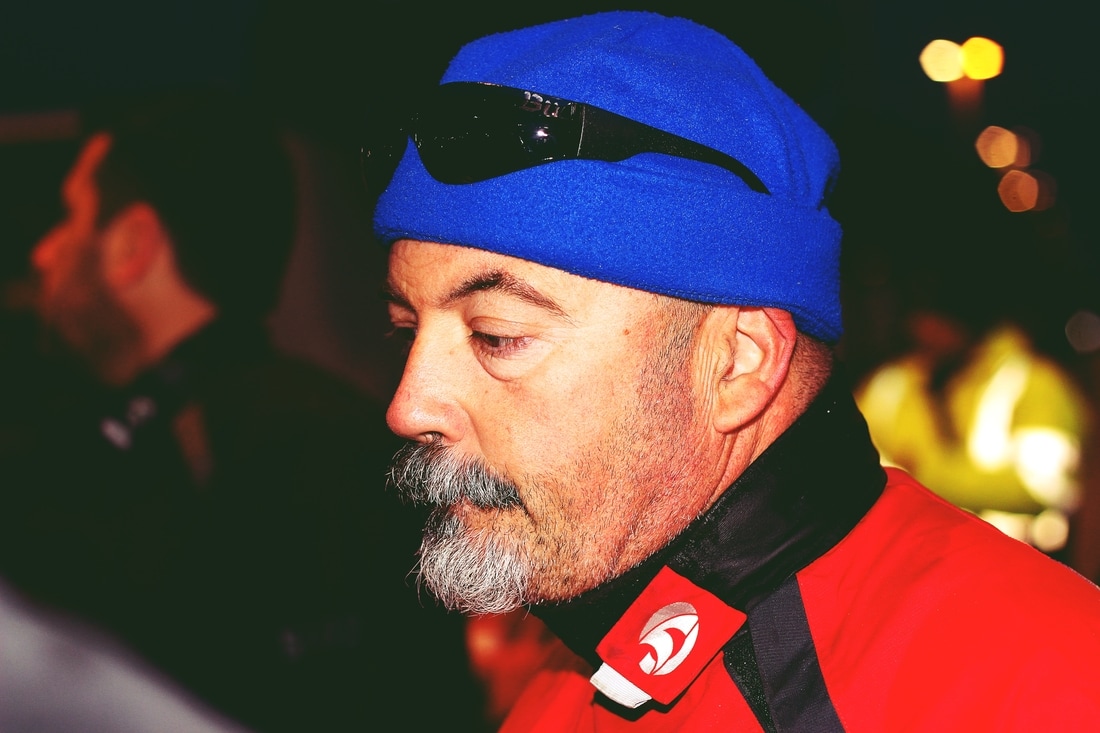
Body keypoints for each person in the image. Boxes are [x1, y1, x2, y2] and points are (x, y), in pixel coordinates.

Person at [369, 11, 1100, 731]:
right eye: (406, 331)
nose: (409, 406)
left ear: (738, 362)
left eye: (496, 336)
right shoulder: (562, 691)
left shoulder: (1047, 684)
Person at [0, 92, 484, 732]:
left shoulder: (154, 463)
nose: (42, 252)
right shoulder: (342, 431)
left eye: (71, 217)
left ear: (131, 246)